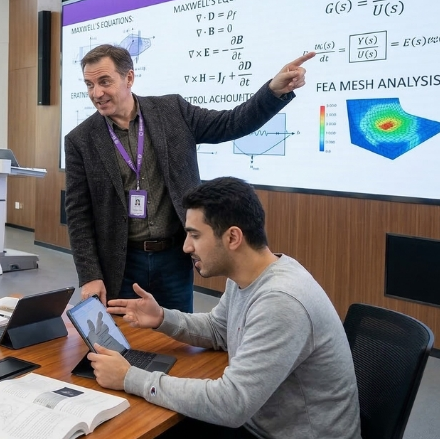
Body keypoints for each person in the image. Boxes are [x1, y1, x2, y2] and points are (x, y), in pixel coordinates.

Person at [88, 177, 359, 438]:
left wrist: (130, 378)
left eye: (194, 235)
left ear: (232, 238)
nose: (186, 247)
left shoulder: (281, 302)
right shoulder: (249, 276)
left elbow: (231, 404)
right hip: (259, 423)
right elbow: (219, 329)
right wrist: (161, 318)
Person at [64, 45, 313, 313]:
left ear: (129, 78)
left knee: (180, 338)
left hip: (174, 258)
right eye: (89, 85)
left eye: (104, 82)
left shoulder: (172, 111)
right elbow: (79, 214)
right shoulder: (80, 140)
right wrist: (90, 274)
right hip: (120, 262)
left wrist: (273, 91)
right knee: (124, 342)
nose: (96, 93)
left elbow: (230, 123)